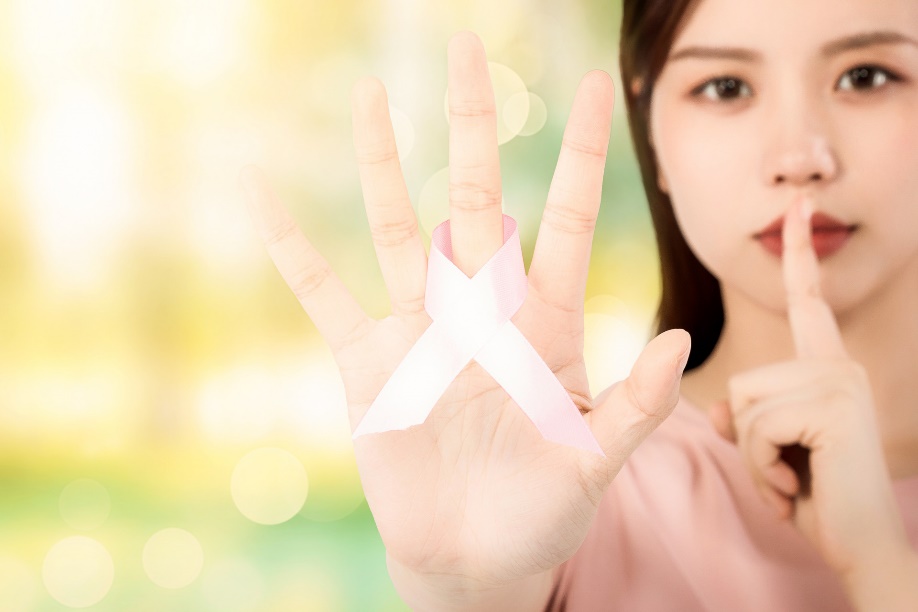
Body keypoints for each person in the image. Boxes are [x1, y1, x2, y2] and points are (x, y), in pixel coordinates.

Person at [239, 0, 918, 608]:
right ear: (652, 132)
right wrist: (463, 589)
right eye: (725, 86)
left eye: (866, 76)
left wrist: (881, 566)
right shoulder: (573, 488)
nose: (799, 157)